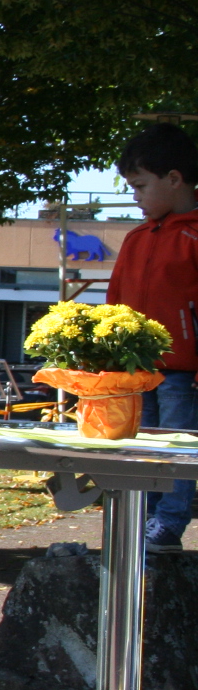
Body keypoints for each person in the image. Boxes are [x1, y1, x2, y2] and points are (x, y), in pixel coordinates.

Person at [108, 123, 198, 552]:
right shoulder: (135, 238)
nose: (135, 196)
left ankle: (168, 523)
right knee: (140, 449)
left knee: (177, 451)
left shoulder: (193, 236)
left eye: (140, 186)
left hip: (183, 373)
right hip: (135, 373)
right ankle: (142, 520)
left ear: (175, 178)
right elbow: (113, 305)